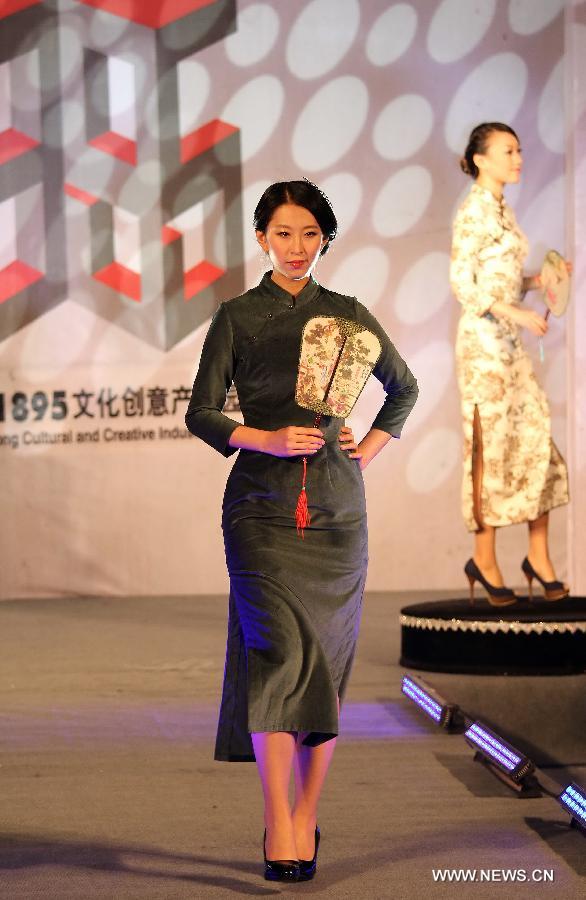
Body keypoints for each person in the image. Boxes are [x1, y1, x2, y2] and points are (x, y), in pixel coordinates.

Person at [185, 180, 418, 882]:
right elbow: (201, 413)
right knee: (279, 656)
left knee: (324, 668)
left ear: (325, 240)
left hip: (338, 519)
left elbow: (403, 389)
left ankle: (307, 811)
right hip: (259, 510)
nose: (296, 247)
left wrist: (362, 452)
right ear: (261, 238)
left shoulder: (348, 316)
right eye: (283, 233)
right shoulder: (237, 316)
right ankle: (278, 819)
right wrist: (262, 438)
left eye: (310, 235)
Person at [450, 123, 570, 605]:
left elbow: (501, 283)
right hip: (483, 348)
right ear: (481, 159)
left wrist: (539, 281)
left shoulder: (503, 209)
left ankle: (538, 556)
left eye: (519, 149)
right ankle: (484, 557)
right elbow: (464, 284)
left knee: (535, 435)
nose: (518, 158)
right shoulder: (472, 212)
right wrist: (514, 310)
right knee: (491, 447)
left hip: (510, 342)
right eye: (508, 150)